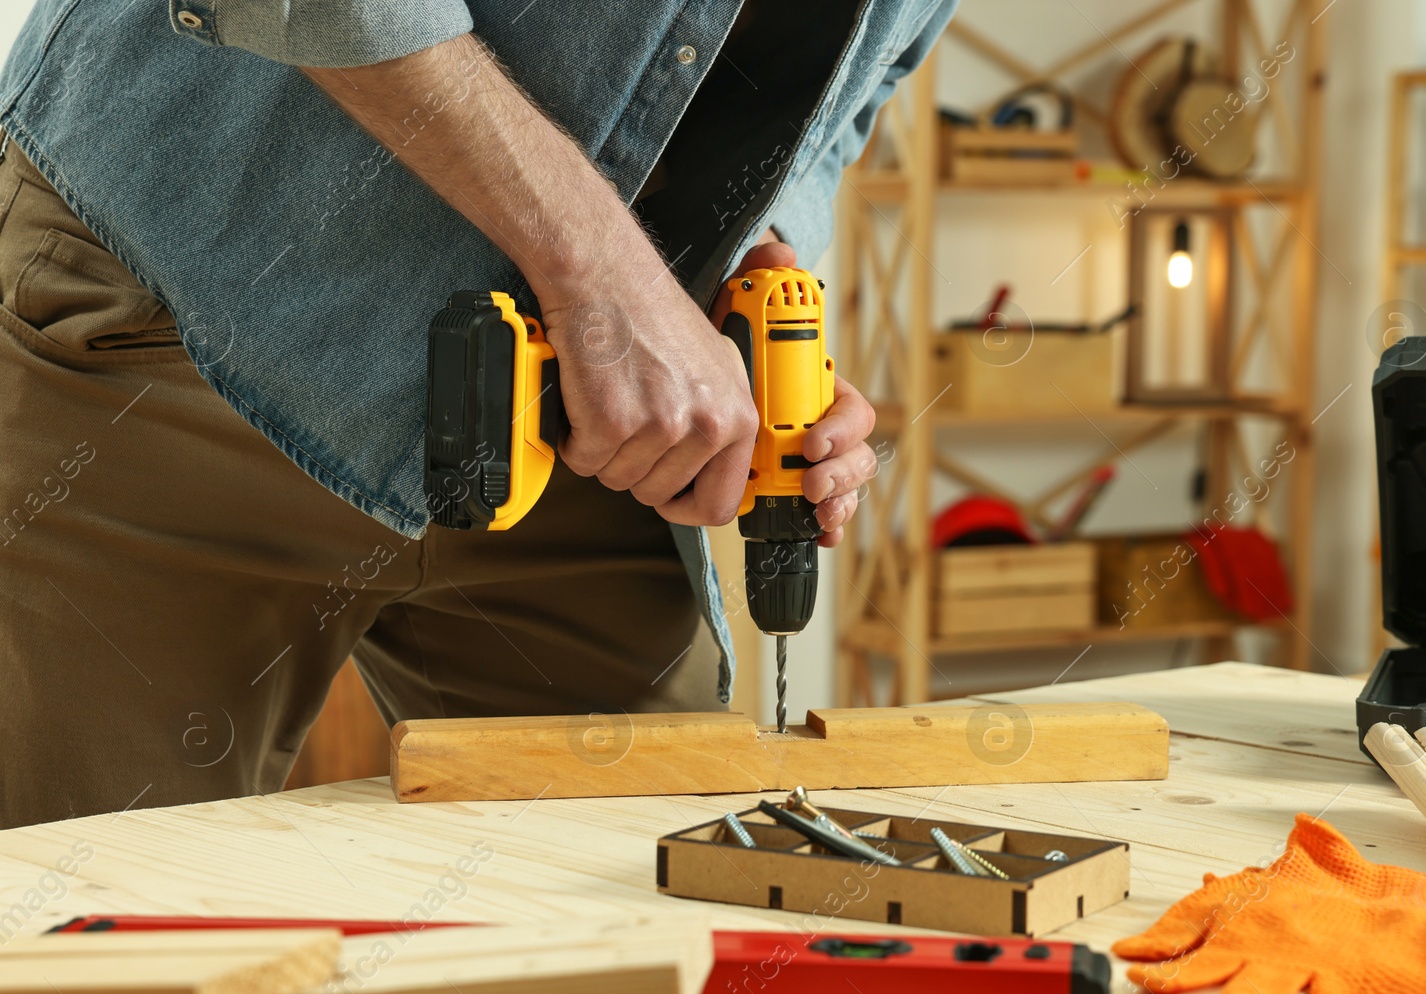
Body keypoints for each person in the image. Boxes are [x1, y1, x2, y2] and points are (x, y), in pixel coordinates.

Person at [0, 1, 953, 828]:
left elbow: (860, 79)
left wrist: (760, 250)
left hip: (581, 425)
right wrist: (603, 272)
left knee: (645, 904)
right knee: (93, 949)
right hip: (200, 313)